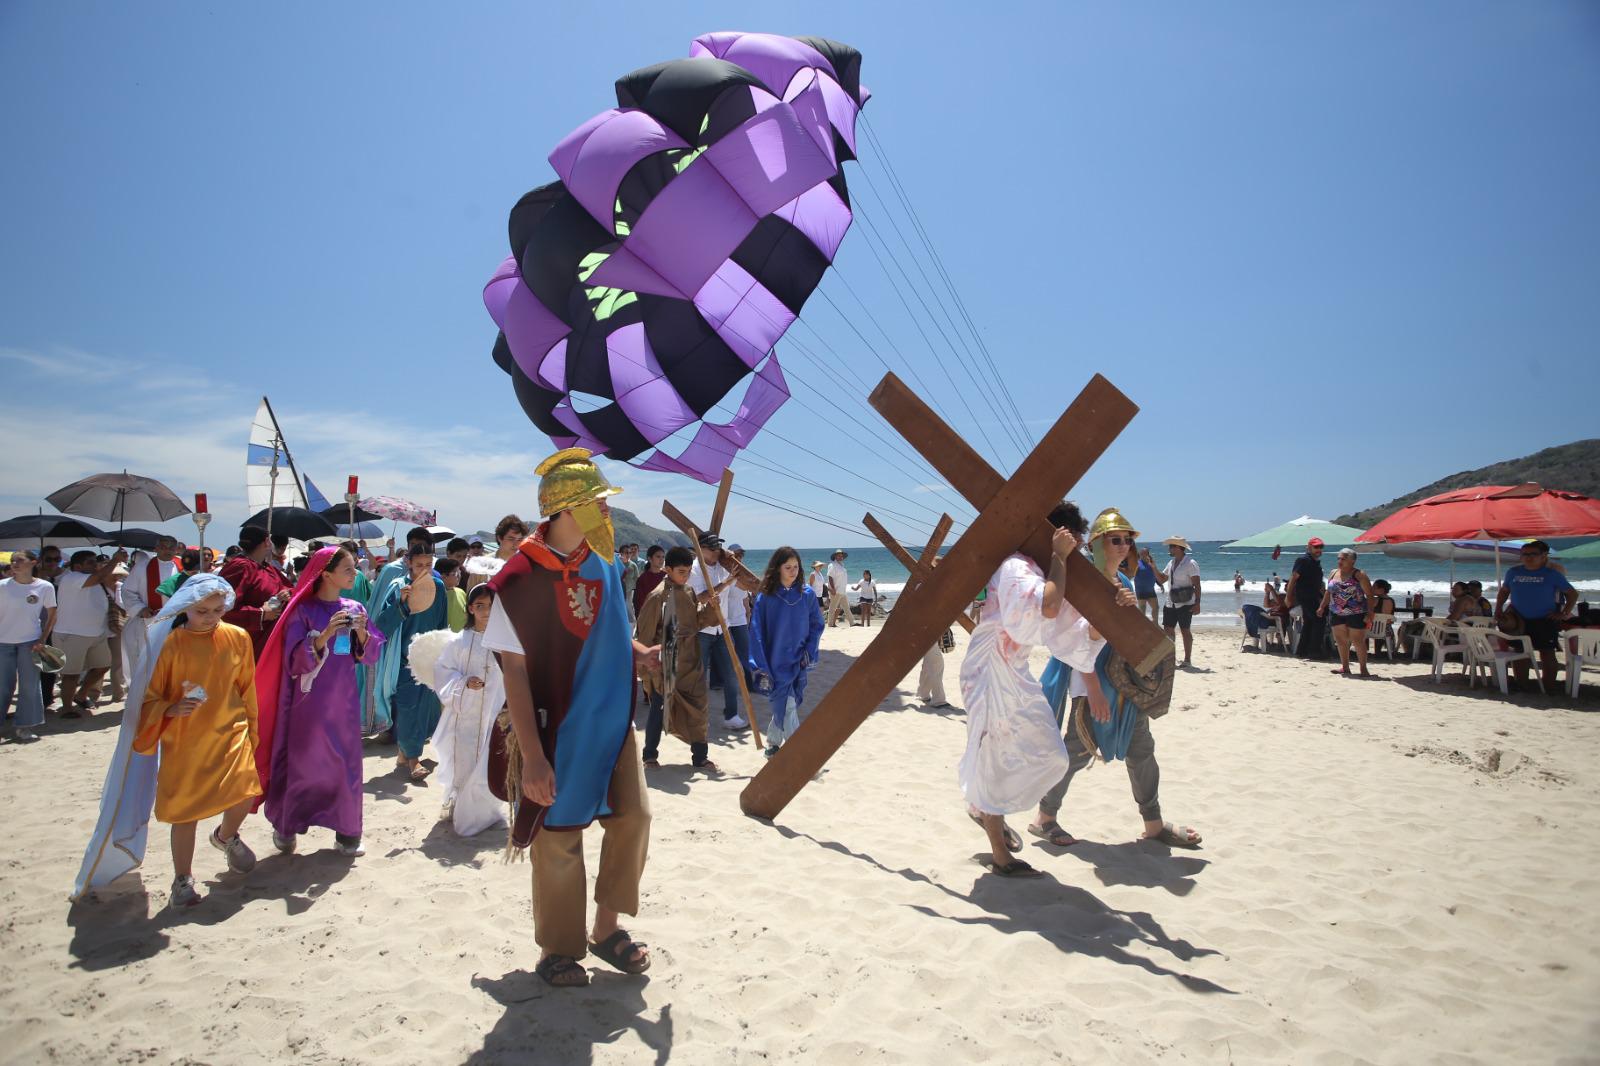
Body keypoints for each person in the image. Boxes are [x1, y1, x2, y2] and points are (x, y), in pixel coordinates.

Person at [484, 448, 659, 988]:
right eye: (597, 503)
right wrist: (532, 757)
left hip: (613, 722)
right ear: (566, 509)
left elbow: (600, 625)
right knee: (558, 836)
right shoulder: (517, 579)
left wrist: (635, 650)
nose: (607, 512)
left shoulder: (604, 561)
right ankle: (559, 950)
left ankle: (605, 930)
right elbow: (513, 671)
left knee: (634, 818)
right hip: (556, 728)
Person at [83, 574, 261, 908]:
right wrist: (171, 708)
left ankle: (225, 837)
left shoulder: (238, 637)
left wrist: (252, 727)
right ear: (186, 608)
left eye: (217, 610)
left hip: (231, 727)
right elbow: (148, 698)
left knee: (246, 789)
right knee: (185, 811)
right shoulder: (170, 644)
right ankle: (183, 878)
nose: (210, 617)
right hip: (185, 737)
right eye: (202, 611)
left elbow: (246, 686)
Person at [959, 501, 1113, 877]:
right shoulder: (1017, 567)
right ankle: (999, 852)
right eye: (1069, 541)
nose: (1074, 550)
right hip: (989, 669)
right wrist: (1059, 559)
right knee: (994, 756)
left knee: (1051, 756)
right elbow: (1046, 608)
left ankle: (983, 806)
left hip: (1015, 670)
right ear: (1054, 536)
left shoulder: (1044, 570)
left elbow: (1070, 634)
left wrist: (1112, 606)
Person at [1031, 508, 1199, 850]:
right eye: (1115, 540)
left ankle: (1153, 824)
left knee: (1142, 750)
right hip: (1089, 680)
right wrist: (1092, 690)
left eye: (1127, 540)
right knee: (1077, 751)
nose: (1123, 546)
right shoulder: (1079, 582)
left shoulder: (1123, 582)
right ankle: (1044, 818)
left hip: (1124, 681)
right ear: (1096, 544)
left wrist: (1127, 606)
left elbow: (1125, 636)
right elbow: (1073, 641)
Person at [257, 546, 384, 858]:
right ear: (326, 574)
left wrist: (362, 632)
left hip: (343, 703)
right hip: (308, 705)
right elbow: (293, 661)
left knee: (346, 765)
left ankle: (348, 832)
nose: (356, 574)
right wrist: (325, 634)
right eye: (349, 569)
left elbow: (369, 655)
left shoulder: (356, 607)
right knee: (304, 765)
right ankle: (288, 826)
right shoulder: (303, 610)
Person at [424, 583, 508, 837]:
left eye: (491, 607)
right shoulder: (460, 642)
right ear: (470, 608)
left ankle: (488, 812)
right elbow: (443, 672)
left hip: (494, 713)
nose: (486, 612)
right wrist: (464, 683)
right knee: (466, 763)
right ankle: (464, 814)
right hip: (466, 716)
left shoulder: (505, 642)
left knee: (490, 761)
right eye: (480, 606)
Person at [634, 546, 721, 770]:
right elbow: (643, 635)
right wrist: (647, 672)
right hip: (665, 664)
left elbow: (697, 622)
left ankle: (700, 757)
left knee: (699, 706)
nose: (686, 575)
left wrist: (712, 609)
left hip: (691, 660)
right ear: (668, 569)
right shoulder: (657, 596)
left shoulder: (690, 592)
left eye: (688, 571)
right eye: (681, 571)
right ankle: (650, 755)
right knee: (658, 708)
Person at [376, 547, 449, 780]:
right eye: (420, 565)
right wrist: (402, 604)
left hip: (429, 657)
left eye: (429, 565)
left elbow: (441, 622)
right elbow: (382, 626)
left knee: (425, 706)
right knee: (408, 706)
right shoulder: (398, 587)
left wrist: (441, 650)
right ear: (409, 564)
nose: (424, 570)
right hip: (402, 658)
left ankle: (403, 752)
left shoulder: (438, 588)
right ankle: (414, 760)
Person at [748, 546, 825, 757]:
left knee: (788, 701)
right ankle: (797, 752)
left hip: (799, 659)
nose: (793, 571)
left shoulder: (807, 595)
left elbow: (817, 624)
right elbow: (756, 630)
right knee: (786, 703)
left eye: (796, 567)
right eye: (788, 567)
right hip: (775, 661)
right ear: (778, 569)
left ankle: (773, 743)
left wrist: (810, 650)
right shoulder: (766, 597)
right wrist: (760, 663)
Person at [365, 526, 435, 734]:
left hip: (422, 639)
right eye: (414, 545)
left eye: (423, 547)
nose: (418, 549)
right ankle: (391, 731)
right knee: (391, 685)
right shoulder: (392, 571)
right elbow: (378, 608)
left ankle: (411, 737)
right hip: (396, 640)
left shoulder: (435, 578)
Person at [687, 532, 760, 730]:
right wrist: (725, 583)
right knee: (699, 676)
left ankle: (731, 715)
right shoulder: (693, 570)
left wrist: (731, 556)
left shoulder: (723, 565)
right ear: (700, 550)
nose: (716, 551)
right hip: (702, 629)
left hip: (722, 628)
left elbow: (746, 582)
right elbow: (700, 597)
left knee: (731, 673)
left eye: (717, 547)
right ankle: (697, 717)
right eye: (712, 548)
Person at [1496, 540, 1578, 692]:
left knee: (1546, 653)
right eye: (1525, 554)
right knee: (1520, 653)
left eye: (1533, 554)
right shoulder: (1513, 572)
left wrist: (1564, 613)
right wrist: (1498, 609)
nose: (1528, 557)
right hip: (1519, 620)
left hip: (1545, 620)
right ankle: (1522, 685)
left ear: (1544, 556)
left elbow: (1572, 594)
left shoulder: (1553, 574)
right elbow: (1504, 591)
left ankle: (1549, 687)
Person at [54, 549, 121, 715]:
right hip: (72, 633)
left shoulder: (92, 580)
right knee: (71, 674)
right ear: (77, 566)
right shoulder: (71, 578)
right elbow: (99, 577)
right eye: (90, 562)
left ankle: (81, 694)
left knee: (103, 665)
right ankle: (67, 708)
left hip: (96, 634)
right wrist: (115, 560)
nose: (95, 564)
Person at [1, 549, 55, 742]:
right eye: (13, 560)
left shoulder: (45, 587)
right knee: (3, 687)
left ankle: (24, 726)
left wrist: (42, 639)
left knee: (29, 686)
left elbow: (51, 614)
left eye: (20, 560)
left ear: (33, 562)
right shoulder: (2, 586)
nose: (15, 563)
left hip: (30, 642)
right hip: (3, 642)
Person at [220, 526, 292, 659]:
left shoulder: (266, 567)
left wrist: (284, 594)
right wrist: (261, 614)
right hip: (244, 645)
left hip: (269, 642)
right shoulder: (240, 567)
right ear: (266, 542)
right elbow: (223, 609)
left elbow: (286, 588)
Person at [121, 537, 182, 675]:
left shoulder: (181, 567)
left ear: (176, 549)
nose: (167, 550)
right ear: (156, 549)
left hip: (175, 623)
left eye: (171, 547)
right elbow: (128, 590)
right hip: (149, 620)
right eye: (163, 547)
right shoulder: (143, 566)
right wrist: (140, 608)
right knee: (148, 662)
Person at [1317, 548, 1375, 678]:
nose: (1340, 561)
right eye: (1338, 558)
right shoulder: (1333, 573)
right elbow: (1328, 592)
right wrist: (1322, 607)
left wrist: (1370, 613)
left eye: (1343, 559)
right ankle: (1345, 667)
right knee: (1341, 641)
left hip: (1357, 612)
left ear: (1352, 561)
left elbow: (1370, 595)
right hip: (1336, 612)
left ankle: (1363, 669)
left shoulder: (1359, 575)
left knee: (1357, 641)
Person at [1148, 537, 1201, 667]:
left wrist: (1197, 603)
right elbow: (1161, 579)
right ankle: (1171, 658)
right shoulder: (1171, 563)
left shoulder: (1190, 563)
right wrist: (1153, 567)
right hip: (1170, 602)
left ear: (1178, 547)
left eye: (1171, 546)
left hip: (1186, 603)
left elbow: (1197, 585)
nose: (1169, 549)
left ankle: (1187, 660)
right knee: (1168, 629)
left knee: (1185, 630)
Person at [1284, 537, 1328, 660]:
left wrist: (1325, 595)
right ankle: (1314, 651)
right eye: (1316, 547)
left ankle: (1302, 650)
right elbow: (1293, 578)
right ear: (1308, 547)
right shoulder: (1303, 560)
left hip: (1313, 596)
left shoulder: (1315, 563)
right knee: (1319, 621)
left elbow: (1318, 583)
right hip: (1305, 596)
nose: (1319, 549)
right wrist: (1288, 596)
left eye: (1320, 547)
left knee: (1309, 623)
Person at [631, 545, 666, 617]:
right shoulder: (642, 579)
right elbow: (638, 603)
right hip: (648, 617)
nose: (661, 559)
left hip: (664, 618)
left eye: (663, 557)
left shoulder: (666, 577)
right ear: (650, 559)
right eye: (658, 557)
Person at [435, 557, 468, 632]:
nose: (459, 575)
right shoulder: (436, 596)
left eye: (459, 572)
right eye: (455, 573)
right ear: (443, 577)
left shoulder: (461, 592)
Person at [824, 550, 852, 628]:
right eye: (839, 555)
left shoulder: (841, 565)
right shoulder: (832, 565)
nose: (841, 557)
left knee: (847, 608)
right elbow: (830, 577)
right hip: (836, 590)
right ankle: (830, 624)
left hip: (842, 590)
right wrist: (832, 589)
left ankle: (852, 623)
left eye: (841, 556)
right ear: (835, 556)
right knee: (832, 608)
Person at [1132, 544, 1159, 622]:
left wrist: (1159, 584)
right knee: (1142, 610)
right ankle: (1142, 625)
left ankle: (1155, 624)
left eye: (1147, 553)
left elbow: (1154, 574)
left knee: (1156, 608)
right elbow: (1132, 575)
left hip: (1151, 590)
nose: (1146, 555)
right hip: (1141, 591)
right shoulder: (1137, 564)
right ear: (1140, 554)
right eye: (1144, 553)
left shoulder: (1151, 564)